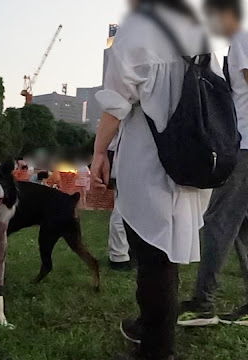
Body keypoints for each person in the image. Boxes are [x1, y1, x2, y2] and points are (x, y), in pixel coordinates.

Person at [91, 1, 209, 359]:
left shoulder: (137, 32)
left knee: (152, 257)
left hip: (150, 158)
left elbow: (115, 104)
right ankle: (150, 327)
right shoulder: (195, 30)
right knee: (163, 254)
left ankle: (157, 348)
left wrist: (99, 152)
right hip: (191, 154)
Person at [177, 0, 248, 327]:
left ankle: (203, 304)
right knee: (241, 228)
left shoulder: (245, 37)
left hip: (245, 146)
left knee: (218, 222)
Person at [107, 129, 131, 272]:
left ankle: (122, 252)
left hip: (125, 157)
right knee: (121, 210)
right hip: (125, 159)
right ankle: (118, 255)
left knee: (126, 209)